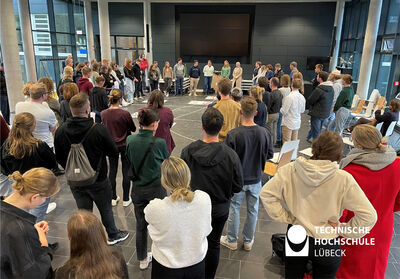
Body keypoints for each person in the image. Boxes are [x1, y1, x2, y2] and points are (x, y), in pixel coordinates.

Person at [260, 131, 377, 279]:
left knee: (292, 275)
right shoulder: (343, 179)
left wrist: (287, 216)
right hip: (326, 240)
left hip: (297, 235)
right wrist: (343, 229)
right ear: (339, 154)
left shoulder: (291, 169)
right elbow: (369, 215)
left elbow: (266, 193)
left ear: (314, 147)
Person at [54, 93, 129, 245]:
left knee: (84, 213)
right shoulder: (98, 129)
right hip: (98, 178)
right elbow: (113, 152)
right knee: (105, 209)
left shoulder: (60, 131)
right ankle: (113, 234)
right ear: (88, 111)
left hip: (75, 182)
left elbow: (60, 158)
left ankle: (88, 240)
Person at [181, 108, 243, 279]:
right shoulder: (231, 155)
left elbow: (181, 182)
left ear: (202, 126)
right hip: (219, 208)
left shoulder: (187, 151)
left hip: (192, 208)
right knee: (214, 243)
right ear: (222, 127)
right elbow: (238, 185)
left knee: (193, 242)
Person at [336, 125, 400, 279]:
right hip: (383, 226)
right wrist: (386, 208)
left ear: (357, 144)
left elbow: (340, 209)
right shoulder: (397, 165)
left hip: (355, 227)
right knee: (375, 268)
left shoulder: (349, 172)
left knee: (349, 269)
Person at [145, 156, 212, 278]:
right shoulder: (204, 198)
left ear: (164, 181)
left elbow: (148, 217)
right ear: (188, 176)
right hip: (196, 264)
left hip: (166, 267)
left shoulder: (156, 207)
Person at [220, 97, 273, 252]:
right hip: (256, 178)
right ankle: (248, 241)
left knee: (234, 208)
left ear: (241, 111)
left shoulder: (233, 134)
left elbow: (228, 159)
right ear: (256, 113)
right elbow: (269, 155)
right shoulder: (264, 133)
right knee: (253, 210)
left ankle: (232, 239)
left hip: (238, 180)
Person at [126, 108, 169, 270]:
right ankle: (163, 255)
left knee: (140, 225)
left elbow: (129, 159)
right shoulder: (159, 143)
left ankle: (142, 259)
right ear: (153, 124)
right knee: (162, 223)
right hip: (156, 189)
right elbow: (166, 161)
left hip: (137, 189)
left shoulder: (130, 140)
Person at [1, 168, 59, 279]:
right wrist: (44, 245)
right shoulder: (21, 229)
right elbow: (35, 273)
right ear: (35, 197)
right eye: (46, 198)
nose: (44, 202)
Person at [1, 112, 58, 217]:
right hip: (39, 185)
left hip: (18, 185)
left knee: (21, 216)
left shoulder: (7, 146)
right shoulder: (39, 146)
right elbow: (53, 164)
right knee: (37, 219)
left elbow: (3, 168)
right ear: (32, 127)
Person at [55, 210, 129, 279]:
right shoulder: (117, 259)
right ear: (100, 233)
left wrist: (45, 250)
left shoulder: (63, 273)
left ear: (70, 237)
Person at [101, 89, 136, 207]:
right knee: (126, 171)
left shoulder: (103, 113)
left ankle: (113, 197)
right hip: (124, 145)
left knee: (112, 171)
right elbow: (133, 128)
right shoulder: (124, 114)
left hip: (111, 146)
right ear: (120, 99)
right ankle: (126, 198)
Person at [16, 83, 57, 150]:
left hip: (25, 146)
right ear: (43, 95)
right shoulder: (48, 112)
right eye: (47, 93)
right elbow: (53, 130)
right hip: (45, 146)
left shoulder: (19, 106)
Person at [142, 90, 175, 154]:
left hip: (147, 143)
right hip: (164, 142)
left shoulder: (143, 111)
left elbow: (141, 125)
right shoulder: (167, 111)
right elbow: (170, 124)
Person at [307, 71, 334, 142]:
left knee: (316, 133)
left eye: (317, 76)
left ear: (320, 78)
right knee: (318, 131)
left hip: (317, 113)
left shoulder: (319, 89)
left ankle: (316, 149)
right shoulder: (331, 88)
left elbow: (310, 100)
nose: (316, 77)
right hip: (325, 113)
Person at [280, 78, 306, 143]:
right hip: (297, 122)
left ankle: (287, 153)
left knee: (287, 142)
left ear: (291, 85)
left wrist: (280, 108)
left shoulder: (289, 97)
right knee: (294, 142)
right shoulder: (302, 97)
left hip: (288, 122)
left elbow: (283, 111)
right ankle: (293, 153)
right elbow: (302, 110)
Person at [275, 74, 291, 146]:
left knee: (279, 125)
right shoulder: (289, 89)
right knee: (283, 125)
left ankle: (279, 140)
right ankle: (282, 138)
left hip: (281, 109)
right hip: (287, 109)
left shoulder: (280, 90)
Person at [267, 77, 283, 145]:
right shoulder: (279, 92)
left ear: (272, 84)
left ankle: (269, 144)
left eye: (270, 82)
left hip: (271, 114)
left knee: (269, 131)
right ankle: (273, 143)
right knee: (274, 129)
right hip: (277, 113)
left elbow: (269, 105)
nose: (269, 84)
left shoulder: (271, 94)